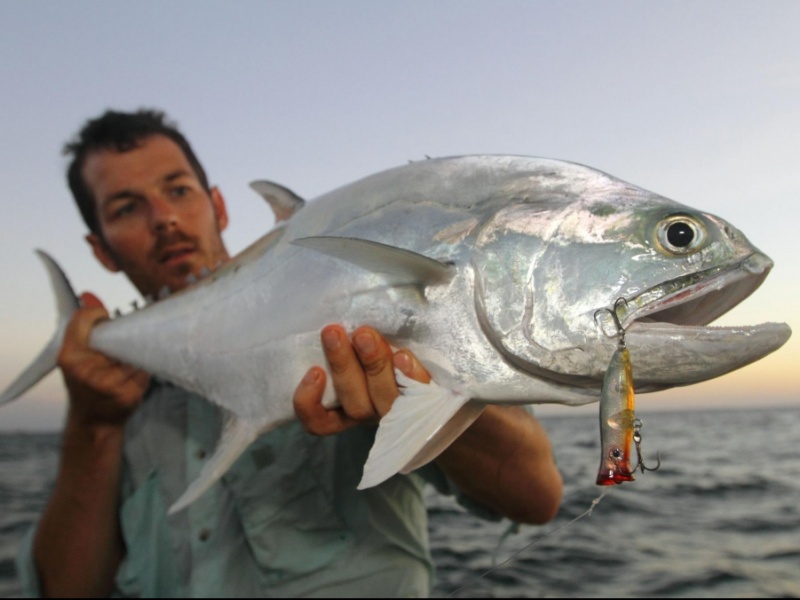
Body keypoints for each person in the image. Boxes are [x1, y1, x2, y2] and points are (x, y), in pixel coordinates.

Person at [16, 109, 563, 597]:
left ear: (219, 206)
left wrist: (414, 383)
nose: (163, 218)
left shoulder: (334, 301)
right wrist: (94, 424)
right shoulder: (116, 398)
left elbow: (537, 498)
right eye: (127, 207)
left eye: (178, 190)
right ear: (99, 249)